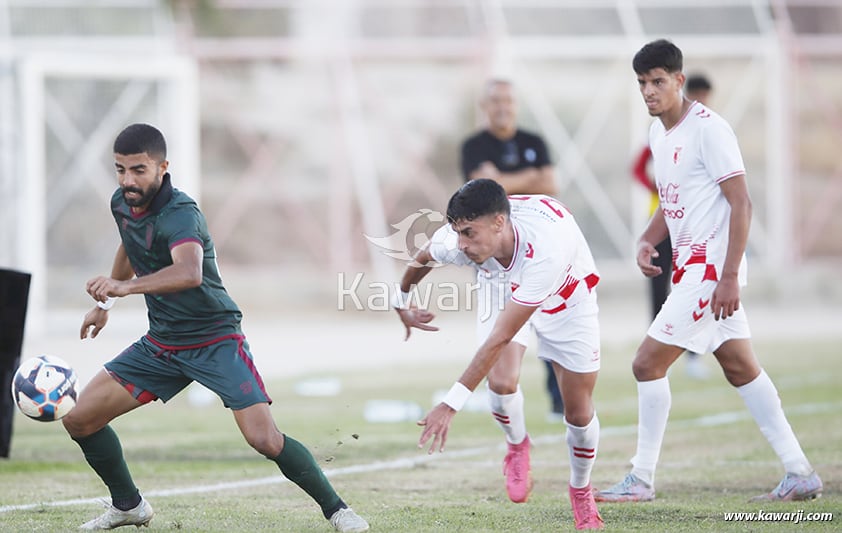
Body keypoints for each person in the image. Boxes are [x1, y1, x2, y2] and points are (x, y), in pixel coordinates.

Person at [61, 124, 369, 532]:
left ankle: (339, 511)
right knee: (79, 419)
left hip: (215, 339)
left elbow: (188, 272)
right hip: (163, 342)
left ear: (162, 167)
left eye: (138, 170)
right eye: (120, 170)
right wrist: (105, 304)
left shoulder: (181, 213)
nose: (127, 180)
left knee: (265, 440)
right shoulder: (122, 202)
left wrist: (125, 286)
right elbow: (130, 244)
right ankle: (129, 506)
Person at [594, 39, 822, 503]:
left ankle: (640, 478)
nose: (649, 91)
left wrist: (730, 275)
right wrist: (646, 238)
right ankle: (800, 472)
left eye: (658, 81)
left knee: (645, 363)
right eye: (642, 83)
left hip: (710, 272)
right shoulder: (659, 134)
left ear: (679, 80)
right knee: (740, 367)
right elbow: (673, 201)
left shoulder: (710, 130)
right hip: (692, 271)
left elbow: (742, 203)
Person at [394, 179, 604, 530]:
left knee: (579, 413)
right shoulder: (461, 239)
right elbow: (424, 256)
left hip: (567, 300)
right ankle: (518, 446)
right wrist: (400, 302)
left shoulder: (547, 246)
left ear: (499, 223)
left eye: (469, 234)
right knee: (501, 382)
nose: (462, 244)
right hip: (501, 287)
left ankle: (580, 489)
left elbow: (500, 337)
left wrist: (450, 404)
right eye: (457, 233)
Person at [460, 78, 564, 421]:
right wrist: (529, 177)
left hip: (538, 249)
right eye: (495, 101)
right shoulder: (473, 146)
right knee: (501, 331)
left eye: (508, 100)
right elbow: (482, 191)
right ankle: (503, 401)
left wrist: (503, 180)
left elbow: (550, 185)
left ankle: (558, 401)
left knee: (552, 325)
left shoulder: (533, 141)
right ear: (484, 106)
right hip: (496, 255)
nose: (502, 106)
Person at [630, 73, 713, 381]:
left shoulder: (709, 130)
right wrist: (657, 187)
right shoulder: (660, 132)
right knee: (658, 289)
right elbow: (638, 168)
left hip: (697, 230)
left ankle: (693, 357)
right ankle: (658, 351)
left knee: (690, 291)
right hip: (664, 224)